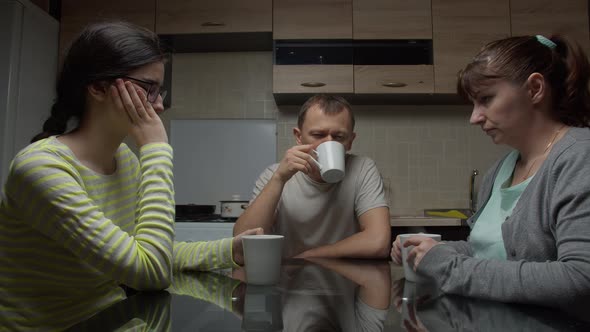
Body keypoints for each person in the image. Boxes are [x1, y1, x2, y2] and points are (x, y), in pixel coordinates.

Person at [0, 21, 261, 330]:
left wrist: (229, 250)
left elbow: (149, 254)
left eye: (159, 90)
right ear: (97, 87)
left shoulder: (124, 160)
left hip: (114, 320)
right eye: (148, 89)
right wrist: (156, 149)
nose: (160, 105)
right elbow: (150, 272)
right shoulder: (41, 168)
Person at [391, 34, 590, 308]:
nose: (474, 117)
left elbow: (580, 279)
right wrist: (434, 251)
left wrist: (448, 266)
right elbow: (486, 251)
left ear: (534, 88)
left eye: (486, 99)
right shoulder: (500, 170)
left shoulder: (580, 156)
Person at [233, 94, 391, 258]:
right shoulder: (274, 175)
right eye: (318, 135)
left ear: (350, 141)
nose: (328, 143)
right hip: (288, 279)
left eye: (338, 137)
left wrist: (311, 256)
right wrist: (279, 179)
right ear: (299, 137)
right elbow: (243, 244)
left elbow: (378, 242)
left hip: (345, 279)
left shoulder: (362, 168)